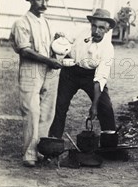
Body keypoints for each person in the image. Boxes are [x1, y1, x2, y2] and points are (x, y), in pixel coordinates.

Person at [10, 0, 63, 167]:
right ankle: (29, 154)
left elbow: (50, 47)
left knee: (47, 112)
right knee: (32, 111)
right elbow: (25, 51)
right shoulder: (21, 23)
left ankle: (41, 150)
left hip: (49, 71)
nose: (44, 3)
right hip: (31, 70)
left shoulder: (47, 22)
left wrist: (58, 43)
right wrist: (49, 61)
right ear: (31, 0)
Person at [48, 9, 117, 138]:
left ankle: (109, 146)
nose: (96, 31)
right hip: (70, 72)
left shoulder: (107, 49)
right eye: (94, 26)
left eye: (101, 28)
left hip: (91, 76)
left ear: (107, 30)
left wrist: (94, 106)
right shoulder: (80, 31)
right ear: (90, 24)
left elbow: (99, 79)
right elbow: (64, 39)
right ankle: (53, 142)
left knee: (105, 108)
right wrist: (60, 38)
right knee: (59, 107)